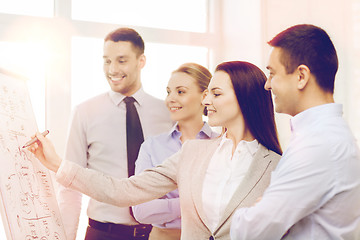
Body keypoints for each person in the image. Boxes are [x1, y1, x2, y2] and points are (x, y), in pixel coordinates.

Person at [28, 61, 282, 240]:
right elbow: (123, 190)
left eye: (216, 94)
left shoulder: (277, 166)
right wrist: (58, 165)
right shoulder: (194, 152)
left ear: (245, 97)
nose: (206, 101)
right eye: (206, 94)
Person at [229, 24, 360, 239]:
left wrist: (249, 213)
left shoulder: (319, 144)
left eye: (272, 73)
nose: (267, 85)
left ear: (301, 76)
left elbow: (252, 232)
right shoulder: (320, 136)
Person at [58, 27, 173, 240]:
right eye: (107, 61)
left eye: (121, 60)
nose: (112, 69)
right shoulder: (85, 112)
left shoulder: (168, 114)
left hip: (160, 234)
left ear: (141, 61)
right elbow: (70, 185)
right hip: (103, 233)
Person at [132, 63, 219, 240]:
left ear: (204, 96)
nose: (170, 99)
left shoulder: (221, 145)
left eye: (180, 92)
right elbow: (141, 210)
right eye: (168, 92)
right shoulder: (152, 146)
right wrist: (191, 204)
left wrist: (166, 207)